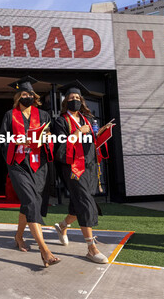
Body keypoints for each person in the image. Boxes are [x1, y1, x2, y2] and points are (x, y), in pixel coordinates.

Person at [0, 76, 60, 268]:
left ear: (34, 96)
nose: (27, 96)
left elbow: (49, 136)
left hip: (38, 164)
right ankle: (45, 251)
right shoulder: (10, 115)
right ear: (18, 97)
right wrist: (17, 141)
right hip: (18, 163)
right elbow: (2, 138)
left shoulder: (43, 115)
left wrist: (48, 137)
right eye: (23, 94)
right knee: (31, 201)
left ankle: (18, 236)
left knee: (30, 202)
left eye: (30, 94)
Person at [53, 81, 114, 264]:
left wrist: (102, 132)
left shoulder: (88, 119)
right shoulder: (60, 121)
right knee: (86, 203)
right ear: (66, 101)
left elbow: (93, 141)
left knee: (79, 202)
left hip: (89, 166)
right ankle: (91, 247)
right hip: (72, 168)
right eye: (71, 98)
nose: (75, 100)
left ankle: (63, 226)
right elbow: (60, 148)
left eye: (78, 98)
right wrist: (78, 132)